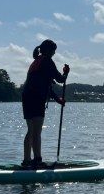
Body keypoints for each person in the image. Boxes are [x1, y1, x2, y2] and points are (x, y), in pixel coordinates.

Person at [21, 39, 69, 169]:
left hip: (26, 96)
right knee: (36, 131)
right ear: (49, 50)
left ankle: (27, 160)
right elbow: (60, 79)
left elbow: (45, 84)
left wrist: (58, 100)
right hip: (36, 98)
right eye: (53, 51)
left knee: (31, 130)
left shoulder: (36, 62)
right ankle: (37, 160)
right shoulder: (47, 60)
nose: (54, 53)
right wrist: (66, 73)